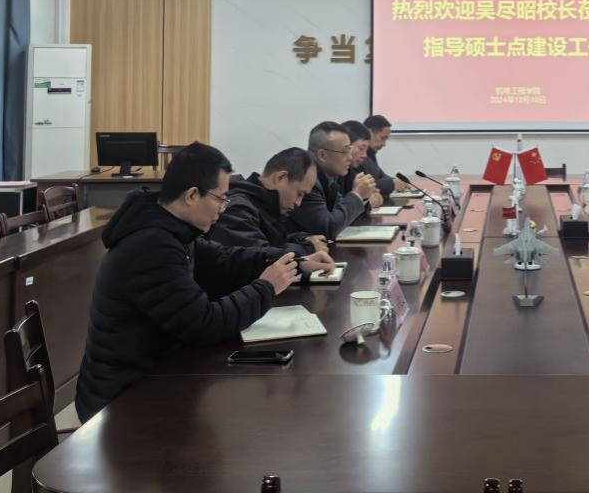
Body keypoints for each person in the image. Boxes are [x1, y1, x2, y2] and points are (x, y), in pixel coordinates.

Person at [75, 142, 299, 420]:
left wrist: (293, 260)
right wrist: (266, 287)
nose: (223, 208)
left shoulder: (173, 229)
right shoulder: (151, 245)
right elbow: (203, 324)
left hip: (159, 376)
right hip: (123, 401)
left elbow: (224, 259)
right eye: (221, 198)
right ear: (192, 195)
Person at [210, 147, 341, 269]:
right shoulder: (239, 209)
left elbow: (276, 240)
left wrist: (303, 239)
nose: (298, 203)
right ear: (280, 177)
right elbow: (260, 260)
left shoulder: (267, 204)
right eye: (299, 194)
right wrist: (309, 248)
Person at [285, 121, 377, 241]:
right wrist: (357, 195)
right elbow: (328, 229)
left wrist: (363, 198)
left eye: (350, 150)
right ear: (322, 155)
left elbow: (340, 212)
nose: (349, 158)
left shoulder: (328, 176)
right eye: (345, 151)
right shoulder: (306, 181)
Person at [340, 120, 385, 208]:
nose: (364, 155)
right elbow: (335, 212)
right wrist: (362, 199)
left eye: (366, 150)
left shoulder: (350, 170)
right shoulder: (332, 173)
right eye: (361, 148)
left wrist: (369, 198)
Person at [362, 114, 399, 195]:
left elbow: (381, 175)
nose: (384, 144)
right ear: (369, 133)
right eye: (382, 138)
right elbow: (363, 186)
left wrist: (396, 181)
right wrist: (392, 183)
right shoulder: (357, 156)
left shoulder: (371, 153)